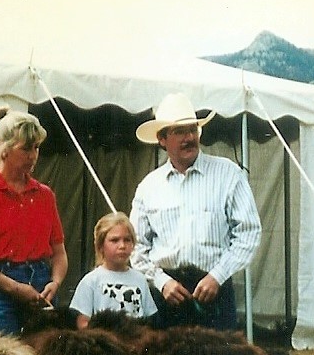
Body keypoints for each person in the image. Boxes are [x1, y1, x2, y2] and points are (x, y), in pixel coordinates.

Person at [130, 92, 261, 331]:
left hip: (215, 291)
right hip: (166, 295)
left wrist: (217, 276)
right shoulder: (149, 187)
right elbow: (136, 246)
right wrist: (161, 281)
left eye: (193, 130)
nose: (189, 137)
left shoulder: (228, 174)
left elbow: (249, 232)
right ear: (162, 139)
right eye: (180, 132)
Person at [0, 106, 68, 334]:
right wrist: (14, 287)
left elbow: (59, 252)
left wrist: (55, 282)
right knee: (2, 352)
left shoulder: (45, 195)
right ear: (5, 150)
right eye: (25, 148)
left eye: (36, 148)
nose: (32, 155)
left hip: (41, 286)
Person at [69, 211, 157, 329]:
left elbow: (149, 320)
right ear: (100, 245)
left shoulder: (140, 279)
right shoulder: (90, 281)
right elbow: (82, 322)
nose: (122, 246)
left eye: (127, 240)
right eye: (115, 240)